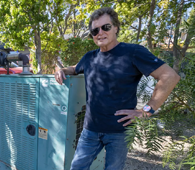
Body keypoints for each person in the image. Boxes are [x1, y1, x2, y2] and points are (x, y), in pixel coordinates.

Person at [55, 7, 180, 170]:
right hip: (90, 130)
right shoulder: (89, 57)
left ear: (115, 28)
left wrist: (147, 110)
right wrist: (63, 70)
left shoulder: (133, 52)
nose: (100, 33)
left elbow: (170, 76)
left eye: (105, 27)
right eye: (94, 30)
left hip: (119, 133)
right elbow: (75, 68)